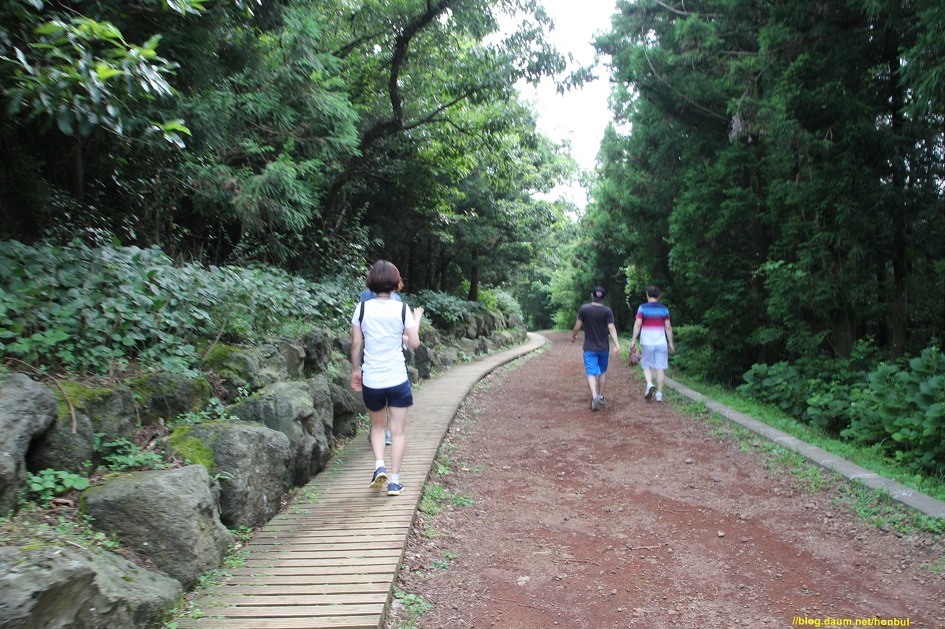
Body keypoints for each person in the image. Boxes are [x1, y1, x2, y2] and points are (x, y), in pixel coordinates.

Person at [350, 260, 423, 496]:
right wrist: (416, 320)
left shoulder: (362, 309)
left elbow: (356, 343)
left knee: (377, 426)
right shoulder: (402, 309)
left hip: (372, 379)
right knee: (398, 431)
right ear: (395, 282)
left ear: (371, 281)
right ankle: (394, 481)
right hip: (397, 379)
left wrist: (356, 370)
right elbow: (414, 342)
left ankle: (379, 465)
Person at [359, 288, 402, 446]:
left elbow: (361, 326)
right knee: (390, 395)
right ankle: (386, 431)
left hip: (372, 354)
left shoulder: (365, 297)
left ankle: (378, 429)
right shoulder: (396, 299)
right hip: (392, 355)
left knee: (376, 395)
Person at [571, 286, 620, 411]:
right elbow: (611, 328)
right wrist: (617, 344)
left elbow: (577, 326)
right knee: (602, 372)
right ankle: (601, 396)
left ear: (591, 295)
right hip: (604, 348)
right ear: (603, 298)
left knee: (591, 373)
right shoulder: (607, 311)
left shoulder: (584, 309)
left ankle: (594, 396)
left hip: (589, 348)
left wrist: (574, 336)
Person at [629, 285, 675, 402]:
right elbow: (668, 327)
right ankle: (659, 394)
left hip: (647, 342)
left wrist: (633, 340)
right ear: (659, 296)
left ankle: (649, 384)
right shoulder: (664, 309)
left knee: (646, 365)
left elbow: (638, 324)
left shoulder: (642, 308)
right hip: (661, 342)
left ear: (647, 295)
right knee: (660, 368)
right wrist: (671, 343)